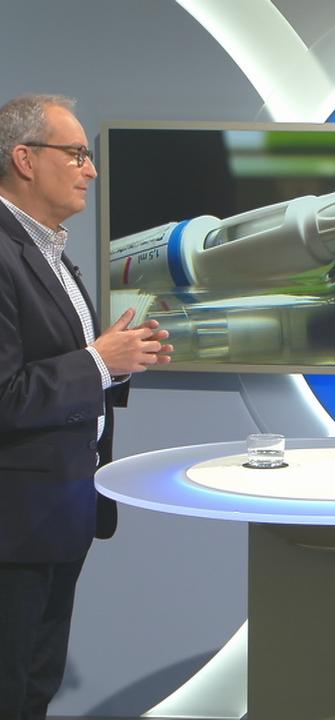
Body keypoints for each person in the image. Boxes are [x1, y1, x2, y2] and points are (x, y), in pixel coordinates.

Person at [0, 94, 172, 719]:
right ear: (24, 159)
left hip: (55, 516)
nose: (91, 170)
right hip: (13, 527)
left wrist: (120, 362)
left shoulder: (49, 251)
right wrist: (99, 361)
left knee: (33, 690)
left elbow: (60, 367)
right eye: (75, 154)